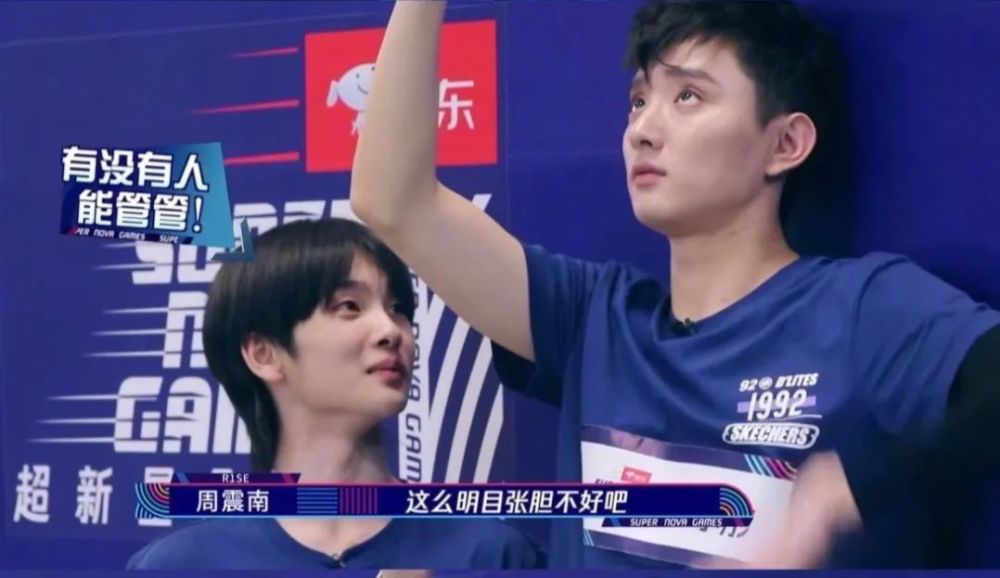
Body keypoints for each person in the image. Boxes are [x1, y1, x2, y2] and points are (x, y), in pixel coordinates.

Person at [350, 0, 1000, 569]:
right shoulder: (589, 318)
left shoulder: (861, 307)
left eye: (688, 96)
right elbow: (393, 202)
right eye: (639, 100)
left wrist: (851, 491)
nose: (643, 129)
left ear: (785, 143)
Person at [126, 218, 545, 570]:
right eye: (349, 306)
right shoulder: (183, 564)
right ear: (264, 354)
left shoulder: (489, 552)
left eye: (398, 309)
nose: (391, 331)